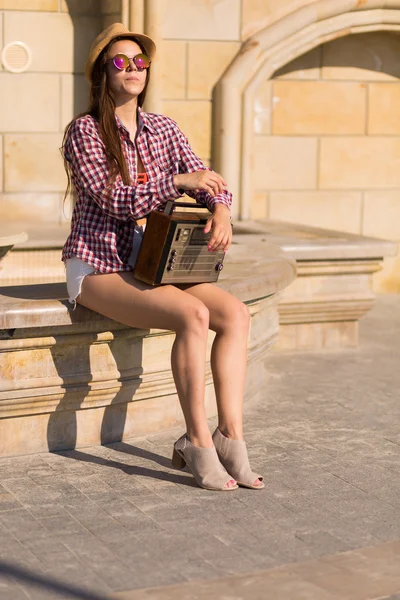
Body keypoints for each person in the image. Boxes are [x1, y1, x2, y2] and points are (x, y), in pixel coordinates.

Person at [61, 23, 263, 492]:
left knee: (233, 314)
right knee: (192, 314)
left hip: (149, 263)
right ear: (102, 73)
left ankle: (230, 436)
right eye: (121, 62)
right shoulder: (85, 132)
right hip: (96, 265)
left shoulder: (164, 128)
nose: (133, 69)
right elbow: (116, 199)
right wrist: (175, 184)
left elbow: (208, 176)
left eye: (140, 62)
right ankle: (196, 443)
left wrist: (221, 207)